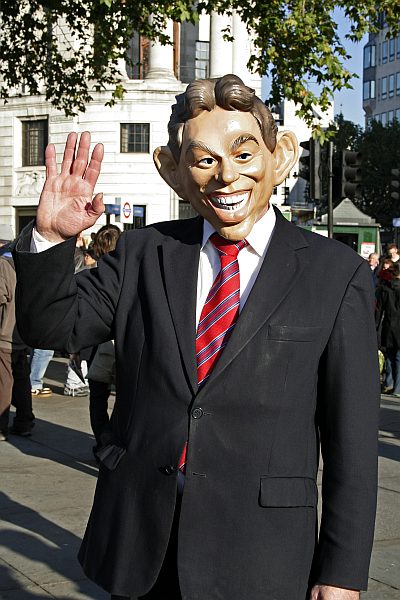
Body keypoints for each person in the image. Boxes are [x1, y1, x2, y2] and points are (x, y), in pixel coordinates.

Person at [13, 75, 379, 600]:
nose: (226, 176)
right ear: (175, 172)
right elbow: (51, 327)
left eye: (244, 153)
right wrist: (49, 236)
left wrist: (342, 571)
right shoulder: (142, 253)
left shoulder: (335, 273)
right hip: (142, 542)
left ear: (279, 157)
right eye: (204, 160)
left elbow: (353, 440)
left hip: (262, 553)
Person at [0, 255, 34, 440]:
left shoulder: (3, 265)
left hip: (5, 335)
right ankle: (24, 422)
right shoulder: (28, 266)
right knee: (21, 381)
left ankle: (1, 427)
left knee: (4, 382)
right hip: (22, 334)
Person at [376, 261, 400, 397]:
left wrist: (376, 326)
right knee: (398, 358)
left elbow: (379, 310)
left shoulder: (385, 289)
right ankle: (397, 388)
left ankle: (389, 383)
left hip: (389, 326)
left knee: (390, 357)